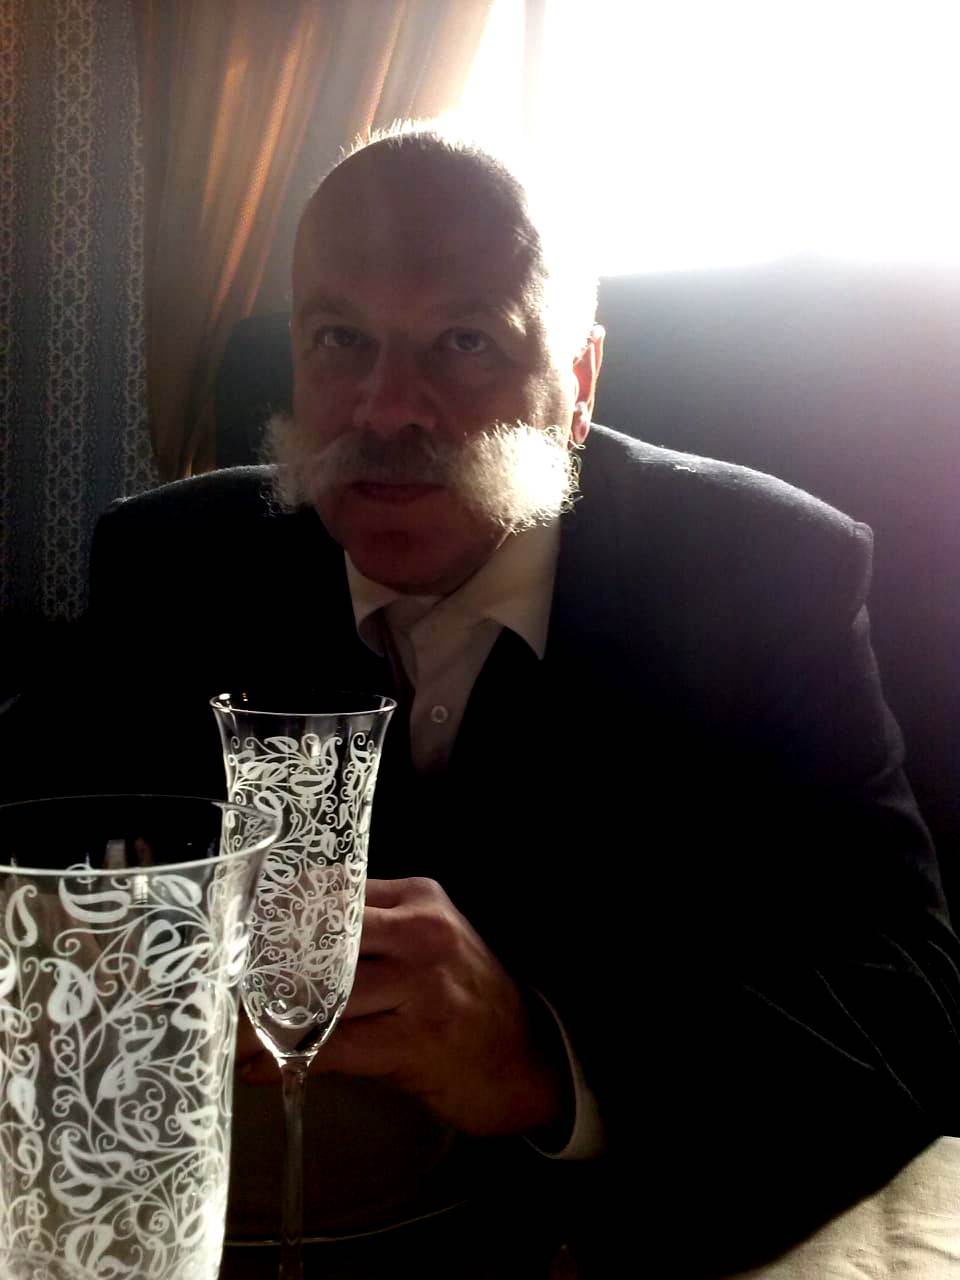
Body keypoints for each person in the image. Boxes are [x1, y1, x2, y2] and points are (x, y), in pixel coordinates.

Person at [18, 126, 960, 1276]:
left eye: (464, 342)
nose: (385, 409)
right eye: (340, 339)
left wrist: (547, 1059)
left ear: (579, 383)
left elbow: (913, 996)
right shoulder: (173, 566)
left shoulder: (764, 576)